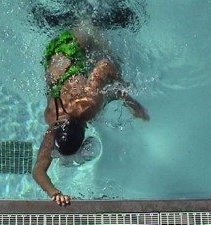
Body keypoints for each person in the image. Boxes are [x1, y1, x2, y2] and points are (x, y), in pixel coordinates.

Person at [32, 2, 149, 207]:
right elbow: (38, 171)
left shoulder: (86, 107)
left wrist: (128, 96)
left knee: (106, 48)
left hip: (73, 47)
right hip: (53, 53)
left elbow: (105, 66)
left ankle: (89, 16)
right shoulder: (52, 124)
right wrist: (55, 193)